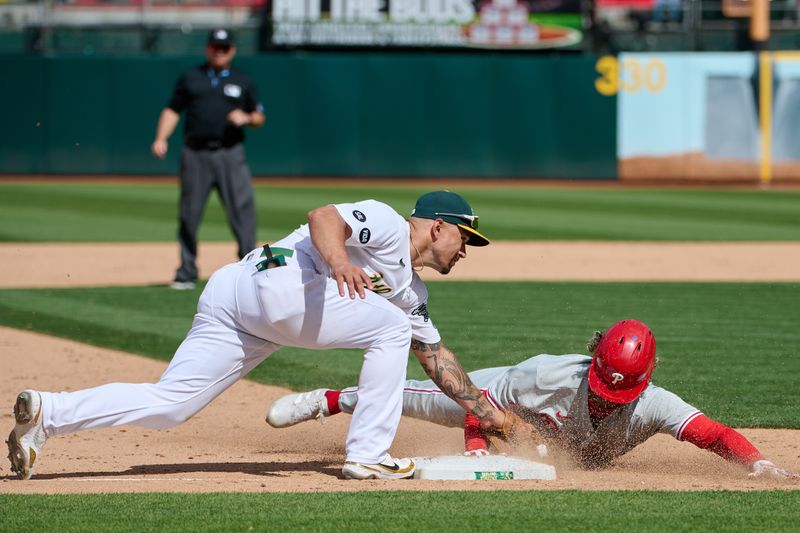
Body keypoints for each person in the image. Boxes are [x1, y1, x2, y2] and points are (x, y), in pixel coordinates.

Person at [6, 191, 511, 481]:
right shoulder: (387, 221)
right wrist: (338, 260)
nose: (466, 251)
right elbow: (323, 217)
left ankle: (50, 414)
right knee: (391, 328)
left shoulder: (411, 291)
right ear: (440, 227)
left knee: (172, 404)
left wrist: (495, 417)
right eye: (467, 239)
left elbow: (434, 357)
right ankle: (367, 455)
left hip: (237, 296)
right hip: (277, 286)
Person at [266, 319, 800, 480]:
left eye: (624, 393)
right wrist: (475, 448)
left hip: (538, 435)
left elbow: (712, 434)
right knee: (418, 398)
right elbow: (483, 404)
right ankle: (332, 399)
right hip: (496, 398)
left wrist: (758, 462)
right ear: (593, 365)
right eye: (605, 386)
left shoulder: (655, 404)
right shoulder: (548, 374)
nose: (613, 399)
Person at [151, 28, 265, 290]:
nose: (220, 51)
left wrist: (247, 118)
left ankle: (249, 270)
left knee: (243, 213)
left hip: (230, 153)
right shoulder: (191, 78)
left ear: (232, 50)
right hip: (195, 153)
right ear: (208, 49)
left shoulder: (243, 80)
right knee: (189, 214)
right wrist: (161, 138)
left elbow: (259, 116)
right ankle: (186, 271)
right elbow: (172, 109)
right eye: (216, 47)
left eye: (225, 47)